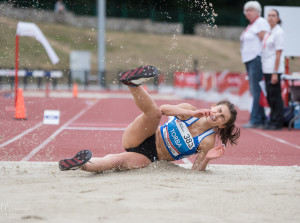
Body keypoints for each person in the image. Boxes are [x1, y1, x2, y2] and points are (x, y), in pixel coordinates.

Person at [58, 65, 240, 172]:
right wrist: (192, 114)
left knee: (115, 160)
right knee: (154, 114)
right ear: (213, 106)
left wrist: (207, 158)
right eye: (218, 110)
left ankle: (81, 164)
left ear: (223, 125)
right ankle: (132, 84)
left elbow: (196, 172)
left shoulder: (207, 141)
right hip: (144, 135)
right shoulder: (189, 111)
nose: (217, 115)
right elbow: (164, 109)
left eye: (222, 117)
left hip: (149, 156)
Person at [240, 1, 270, 129]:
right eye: (246, 10)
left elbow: (265, 40)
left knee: (256, 89)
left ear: (258, 12)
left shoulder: (260, 22)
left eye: (251, 10)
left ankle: (256, 118)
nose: (248, 12)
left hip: (256, 58)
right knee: (255, 89)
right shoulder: (251, 25)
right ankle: (261, 117)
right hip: (249, 59)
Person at [261, 9, 284, 130]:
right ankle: (273, 118)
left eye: (273, 16)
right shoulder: (269, 32)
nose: (270, 18)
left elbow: (278, 53)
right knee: (270, 95)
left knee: (275, 96)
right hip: (267, 68)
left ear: (278, 18)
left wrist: (275, 72)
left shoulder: (278, 32)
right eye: (269, 15)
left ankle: (278, 121)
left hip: (273, 69)